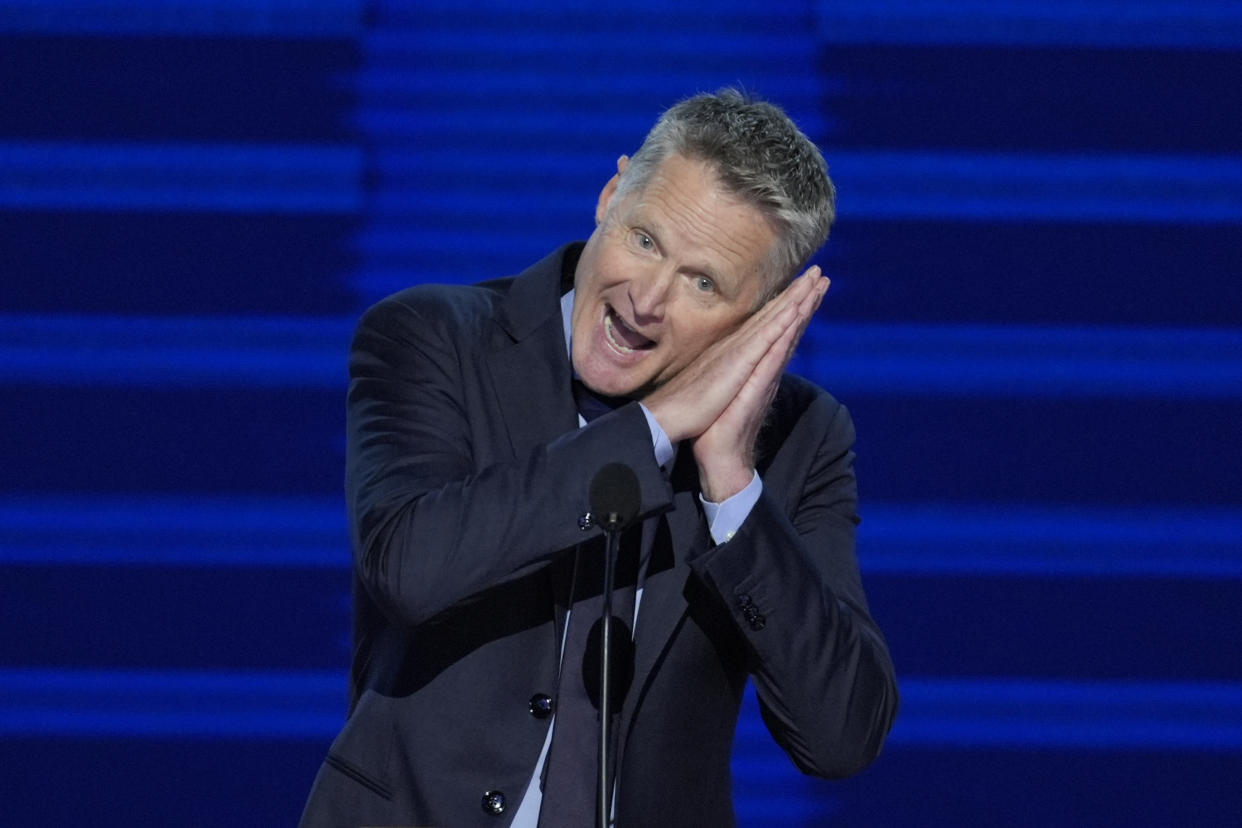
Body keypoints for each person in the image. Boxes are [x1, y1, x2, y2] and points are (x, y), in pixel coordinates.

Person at [300, 89, 897, 827]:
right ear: (611, 195)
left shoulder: (802, 437)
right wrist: (655, 424)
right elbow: (408, 568)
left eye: (702, 283)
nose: (646, 300)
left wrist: (733, 488)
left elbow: (841, 736)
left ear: (762, 316)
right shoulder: (437, 337)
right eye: (646, 240)